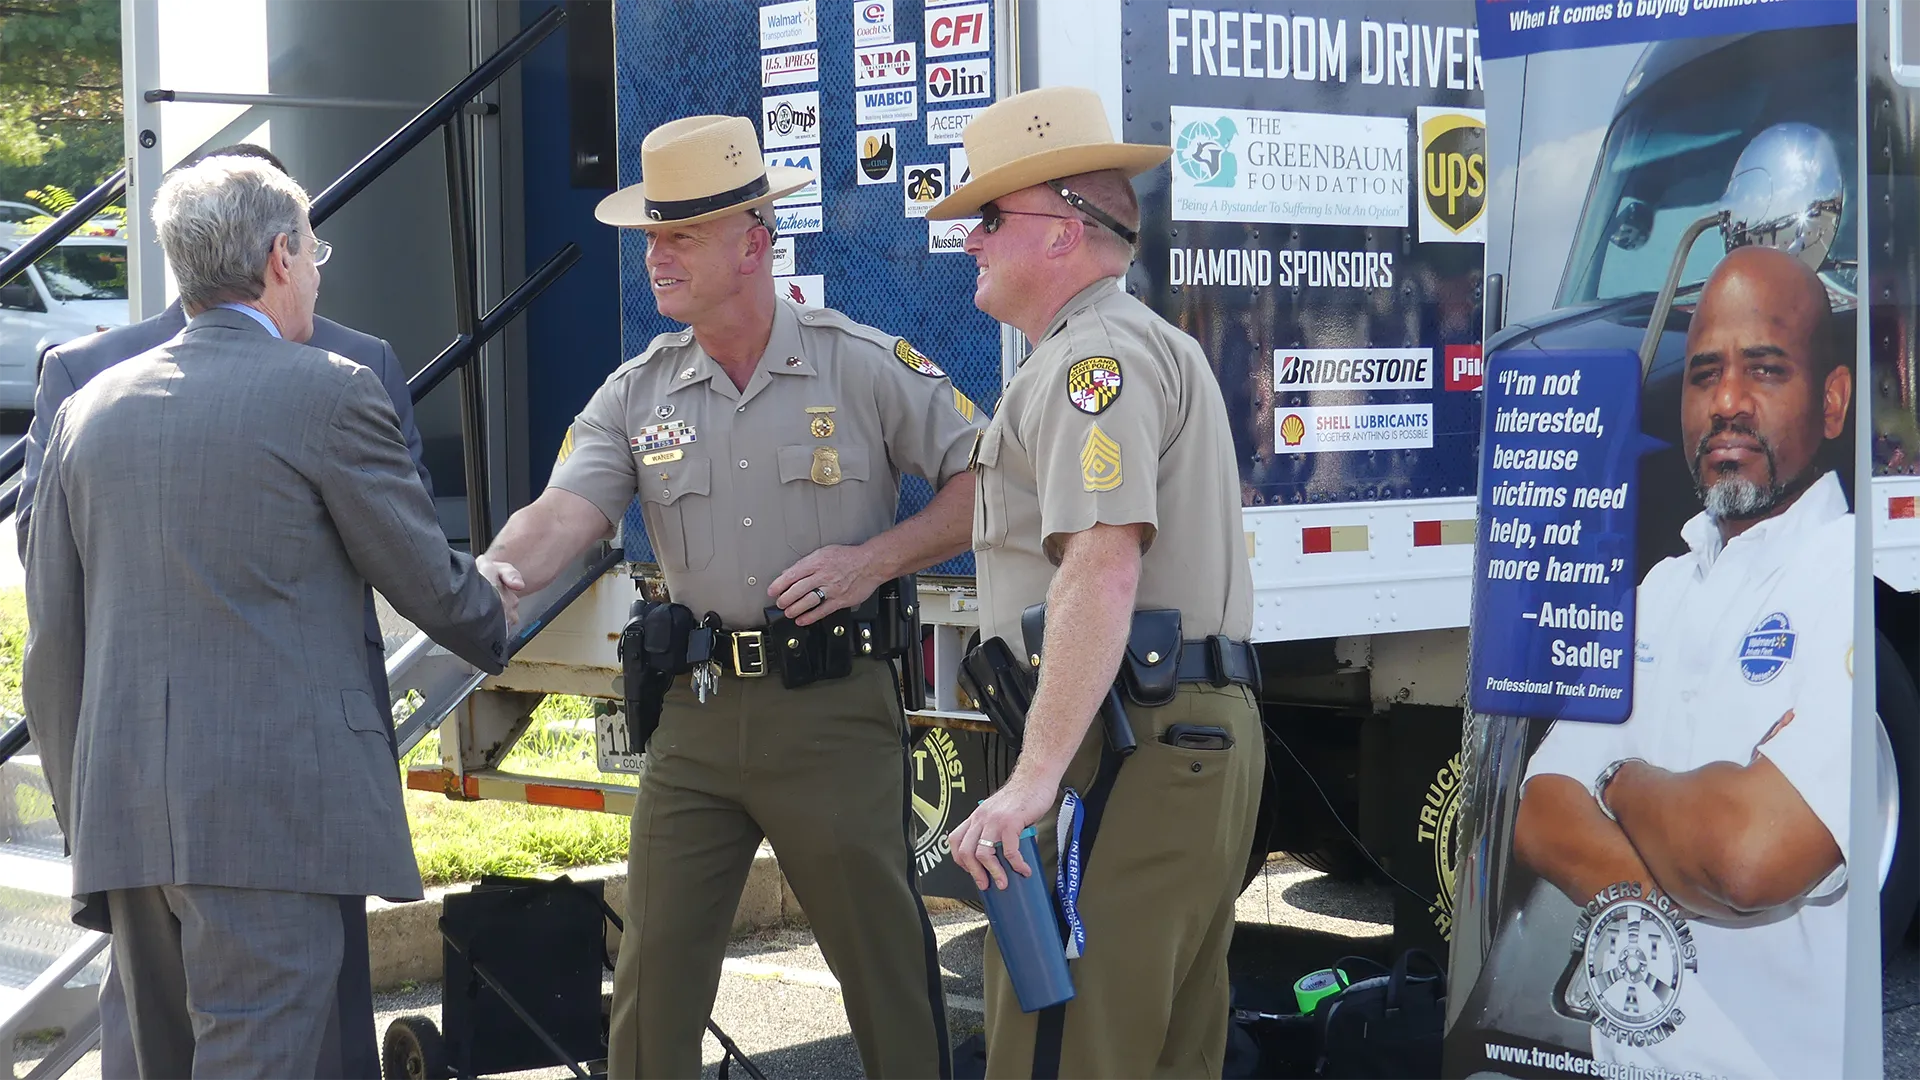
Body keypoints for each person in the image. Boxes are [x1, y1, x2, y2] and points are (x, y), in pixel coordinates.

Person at [478, 113, 980, 1080]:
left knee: (883, 975)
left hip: (831, 715)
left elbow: (987, 482)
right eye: (650, 238)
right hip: (698, 723)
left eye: (680, 236)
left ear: (755, 241)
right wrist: (490, 580)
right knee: (653, 985)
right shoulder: (637, 393)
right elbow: (566, 511)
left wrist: (874, 560)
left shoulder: (861, 363)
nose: (655, 259)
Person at [20, 155, 511, 1079]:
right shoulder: (328, 387)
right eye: (314, 252)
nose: (320, 273)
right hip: (269, 820)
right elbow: (430, 585)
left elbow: (52, 644)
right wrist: (499, 606)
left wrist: (88, 810)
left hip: (125, 817)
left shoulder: (88, 410)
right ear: (282, 257)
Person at [932, 86, 1263, 1080]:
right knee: (1160, 1051)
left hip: (1121, 742)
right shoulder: (1124, 348)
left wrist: (1034, 782)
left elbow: (1103, 562)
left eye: (989, 218)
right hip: (1163, 731)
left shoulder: (1095, 360)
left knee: (1066, 1052)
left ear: (1065, 229)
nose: (970, 242)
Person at [1513, 245, 1854, 1080]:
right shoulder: (1660, 587)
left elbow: (1750, 855)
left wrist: (1618, 781)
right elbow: (1540, 814)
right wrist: (1677, 885)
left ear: (1833, 401)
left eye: (1764, 370)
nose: (1727, 402)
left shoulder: (1848, 578)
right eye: (1704, 376)